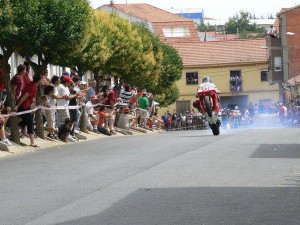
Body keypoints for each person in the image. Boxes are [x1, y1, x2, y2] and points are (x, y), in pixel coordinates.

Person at [14, 74, 42, 147]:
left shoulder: (31, 84)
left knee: (23, 121)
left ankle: (15, 133)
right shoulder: (33, 87)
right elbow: (25, 96)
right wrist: (17, 106)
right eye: (41, 79)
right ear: (39, 80)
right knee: (30, 123)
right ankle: (32, 142)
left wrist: (32, 104)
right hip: (24, 106)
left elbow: (29, 97)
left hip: (25, 106)